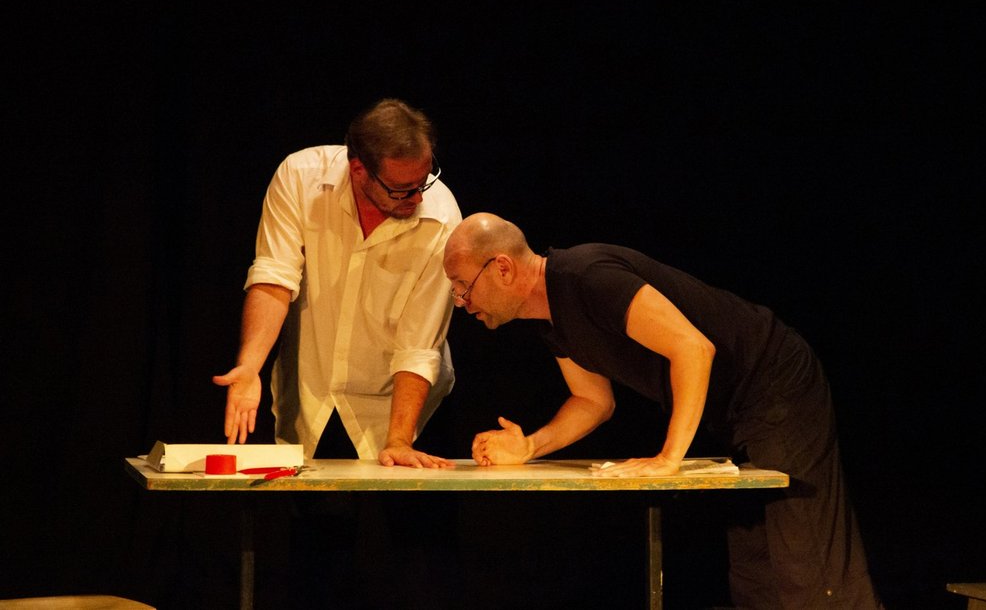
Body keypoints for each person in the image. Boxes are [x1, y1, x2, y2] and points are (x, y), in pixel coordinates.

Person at [443, 212, 884, 609]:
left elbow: (693, 348)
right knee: (757, 576)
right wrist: (530, 447)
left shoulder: (587, 277)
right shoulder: (552, 321)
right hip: (732, 412)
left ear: (502, 267)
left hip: (775, 383)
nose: (462, 302)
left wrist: (668, 458)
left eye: (463, 285)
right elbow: (593, 401)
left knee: (808, 567)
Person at [213, 98, 461, 468]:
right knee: (311, 505)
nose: (418, 197)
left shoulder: (441, 219)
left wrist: (398, 440)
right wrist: (250, 367)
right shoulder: (301, 178)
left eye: (424, 181)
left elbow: (419, 345)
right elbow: (275, 276)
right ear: (358, 170)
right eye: (402, 189)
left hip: (404, 407)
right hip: (312, 397)